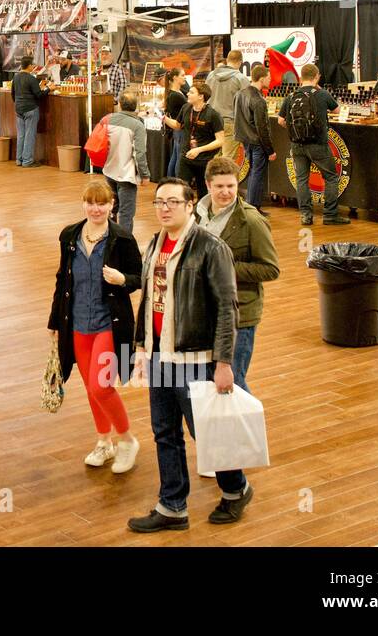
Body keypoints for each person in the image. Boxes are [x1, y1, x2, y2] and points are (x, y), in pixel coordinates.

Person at [127, 177, 252, 533]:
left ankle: (235, 490)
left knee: (208, 434)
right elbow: (149, 300)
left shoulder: (211, 248)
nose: (164, 208)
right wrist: (140, 349)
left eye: (172, 202)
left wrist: (225, 364)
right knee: (165, 433)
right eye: (159, 202)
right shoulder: (154, 244)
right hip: (159, 357)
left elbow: (229, 309)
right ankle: (172, 507)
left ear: (189, 204)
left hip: (197, 360)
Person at [47, 178, 143, 473]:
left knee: (102, 387)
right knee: (90, 388)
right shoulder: (70, 236)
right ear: (83, 203)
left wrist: (122, 279)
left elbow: (140, 278)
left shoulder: (122, 239)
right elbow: (63, 278)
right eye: (90, 202)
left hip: (108, 323)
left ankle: (127, 440)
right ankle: (104, 441)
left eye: (102, 203)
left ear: (112, 205)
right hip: (75, 322)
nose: (95, 208)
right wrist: (54, 321)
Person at [195, 157, 279, 394]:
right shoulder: (196, 214)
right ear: (208, 185)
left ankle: (249, 429)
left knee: (234, 382)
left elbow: (270, 269)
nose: (225, 192)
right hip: (203, 313)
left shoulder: (251, 220)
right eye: (220, 186)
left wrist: (222, 267)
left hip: (240, 316)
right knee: (208, 380)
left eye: (231, 186)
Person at [278, 63, 349, 226]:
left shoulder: (291, 96)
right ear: (317, 77)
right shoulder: (322, 94)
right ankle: (330, 214)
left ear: (301, 78)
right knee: (330, 177)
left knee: (302, 179)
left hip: (296, 145)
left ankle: (306, 215)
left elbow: (281, 120)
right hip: (318, 144)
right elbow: (338, 111)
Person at [234, 64, 276, 214]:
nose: (271, 80)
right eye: (269, 78)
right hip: (257, 142)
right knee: (256, 173)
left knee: (253, 172)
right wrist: (270, 150)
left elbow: (237, 119)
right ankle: (253, 207)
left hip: (245, 140)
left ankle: (252, 206)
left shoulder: (240, 94)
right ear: (263, 78)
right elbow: (262, 127)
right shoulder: (259, 100)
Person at [103, 90, 148, 227]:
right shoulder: (138, 125)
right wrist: (145, 175)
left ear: (120, 105)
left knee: (112, 208)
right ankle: (124, 244)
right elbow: (140, 153)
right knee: (126, 213)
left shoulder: (107, 119)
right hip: (126, 174)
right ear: (136, 106)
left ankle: (110, 238)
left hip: (109, 169)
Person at [176, 81, 224, 200]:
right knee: (181, 190)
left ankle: (201, 216)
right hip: (185, 157)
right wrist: (163, 118)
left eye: (191, 92)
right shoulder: (186, 108)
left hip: (204, 160)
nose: (187, 94)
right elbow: (177, 125)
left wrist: (199, 150)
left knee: (203, 194)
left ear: (201, 96)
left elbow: (220, 141)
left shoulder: (213, 115)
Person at [206, 50, 249, 162]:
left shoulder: (211, 75)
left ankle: (211, 179)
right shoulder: (241, 79)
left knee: (212, 157)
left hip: (210, 121)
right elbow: (247, 104)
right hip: (229, 121)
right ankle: (225, 180)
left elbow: (204, 96)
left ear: (227, 60)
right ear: (240, 62)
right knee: (228, 160)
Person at [12, 55, 49, 168]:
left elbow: (13, 94)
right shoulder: (31, 78)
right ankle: (27, 160)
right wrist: (48, 89)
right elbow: (39, 94)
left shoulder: (16, 77)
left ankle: (19, 159)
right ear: (29, 66)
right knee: (29, 135)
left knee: (21, 135)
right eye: (32, 65)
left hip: (19, 109)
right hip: (30, 109)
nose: (33, 67)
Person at [162, 68, 189, 178]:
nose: (185, 77)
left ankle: (171, 180)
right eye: (182, 75)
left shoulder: (178, 92)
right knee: (179, 158)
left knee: (175, 156)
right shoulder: (175, 95)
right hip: (180, 129)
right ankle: (178, 181)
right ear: (175, 77)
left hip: (178, 129)